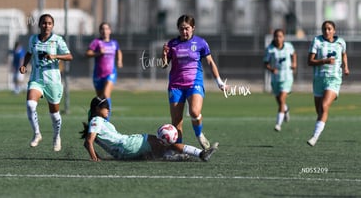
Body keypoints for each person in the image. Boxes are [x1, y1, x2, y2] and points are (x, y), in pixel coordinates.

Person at [81, 96, 219, 162]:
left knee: (156, 151)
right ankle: (201, 153)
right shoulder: (96, 120)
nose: (109, 109)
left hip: (124, 150)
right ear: (97, 109)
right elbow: (88, 141)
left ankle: (176, 157)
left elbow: (87, 142)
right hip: (127, 145)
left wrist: (97, 156)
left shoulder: (98, 121)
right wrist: (95, 158)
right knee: (165, 142)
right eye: (106, 107)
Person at [162, 14, 225, 150]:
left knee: (195, 112)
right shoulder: (172, 44)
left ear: (193, 28)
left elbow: (210, 62)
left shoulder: (201, 43)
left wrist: (219, 82)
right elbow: (164, 65)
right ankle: (179, 151)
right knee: (176, 121)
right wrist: (164, 56)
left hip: (194, 82)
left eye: (187, 28)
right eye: (181, 29)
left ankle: (199, 134)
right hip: (175, 85)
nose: (184, 32)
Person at [19, 14, 73, 152]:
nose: (46, 26)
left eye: (49, 23)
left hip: (53, 81)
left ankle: (56, 136)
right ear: (40, 25)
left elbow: (69, 56)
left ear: (52, 25)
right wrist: (24, 64)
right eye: (44, 23)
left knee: (54, 114)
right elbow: (29, 53)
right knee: (30, 105)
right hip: (36, 79)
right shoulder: (33, 39)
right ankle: (37, 134)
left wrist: (55, 56)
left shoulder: (57, 40)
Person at [307, 20, 349, 146]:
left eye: (329, 29)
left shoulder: (341, 42)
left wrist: (346, 67)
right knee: (319, 111)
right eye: (324, 29)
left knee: (324, 106)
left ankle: (314, 137)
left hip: (334, 78)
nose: (327, 31)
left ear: (334, 30)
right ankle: (319, 127)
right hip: (319, 79)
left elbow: (344, 54)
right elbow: (310, 61)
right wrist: (324, 61)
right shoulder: (317, 41)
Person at [86, 22, 123, 120]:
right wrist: (98, 53)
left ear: (110, 31)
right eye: (102, 29)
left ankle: (107, 122)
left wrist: (119, 61)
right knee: (100, 99)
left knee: (106, 95)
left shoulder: (114, 43)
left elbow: (118, 52)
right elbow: (88, 53)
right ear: (100, 31)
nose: (104, 31)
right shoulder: (96, 42)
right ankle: (93, 118)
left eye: (106, 29)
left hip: (110, 73)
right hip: (98, 74)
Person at [263, 29, 297, 132]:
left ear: (284, 37)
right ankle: (286, 110)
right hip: (276, 79)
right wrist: (271, 69)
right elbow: (266, 63)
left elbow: (294, 54)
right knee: (280, 101)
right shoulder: (270, 49)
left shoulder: (288, 46)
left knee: (282, 98)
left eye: (280, 36)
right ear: (274, 37)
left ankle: (278, 124)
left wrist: (294, 63)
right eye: (276, 36)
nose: (278, 38)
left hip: (287, 77)